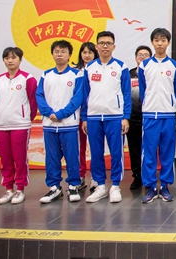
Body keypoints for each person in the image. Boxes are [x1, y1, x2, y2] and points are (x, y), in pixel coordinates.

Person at [82, 31, 131, 203]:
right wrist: (84, 117)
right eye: (102, 43)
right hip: (93, 117)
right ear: (96, 46)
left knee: (116, 153)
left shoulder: (121, 67)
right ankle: (101, 186)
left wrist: (125, 117)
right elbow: (85, 94)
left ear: (113, 47)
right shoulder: (89, 67)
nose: (105, 46)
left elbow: (126, 93)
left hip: (115, 117)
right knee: (96, 153)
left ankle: (115, 186)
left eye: (108, 43)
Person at [36, 40, 85, 203]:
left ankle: (73, 186)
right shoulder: (46, 75)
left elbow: (78, 98)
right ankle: (54, 188)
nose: (59, 54)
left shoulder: (76, 74)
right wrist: (49, 113)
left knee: (72, 157)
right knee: (51, 157)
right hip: (49, 124)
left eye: (63, 51)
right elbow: (39, 96)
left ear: (69, 55)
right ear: (52, 54)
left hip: (69, 124)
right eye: (56, 51)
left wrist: (62, 114)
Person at [139, 28, 176, 203]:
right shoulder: (144, 65)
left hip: (168, 115)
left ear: (168, 43)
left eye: (163, 40)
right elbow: (143, 90)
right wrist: (148, 104)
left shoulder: (174, 66)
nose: (160, 43)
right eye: (156, 40)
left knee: (167, 153)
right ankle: (150, 186)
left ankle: (165, 186)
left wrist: (170, 104)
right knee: (149, 153)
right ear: (152, 42)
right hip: (150, 115)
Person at [0, 47, 37, 205]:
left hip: (20, 125)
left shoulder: (28, 79)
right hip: (0, 125)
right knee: (5, 159)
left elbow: (33, 102)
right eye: (7, 58)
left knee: (20, 158)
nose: (10, 60)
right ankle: (8, 189)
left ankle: (20, 189)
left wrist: (25, 118)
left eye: (13, 57)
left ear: (20, 59)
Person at [74, 42, 98, 192]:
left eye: (90, 52)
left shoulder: (99, 69)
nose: (87, 55)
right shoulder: (75, 72)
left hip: (94, 114)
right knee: (79, 148)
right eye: (84, 52)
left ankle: (96, 177)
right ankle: (80, 175)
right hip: (77, 116)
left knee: (95, 147)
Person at [128, 45, 152, 190]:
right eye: (140, 55)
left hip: (149, 116)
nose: (142, 57)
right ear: (136, 57)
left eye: (146, 55)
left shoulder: (153, 72)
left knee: (149, 148)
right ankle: (137, 175)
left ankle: (149, 175)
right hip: (132, 117)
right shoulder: (129, 74)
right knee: (134, 148)